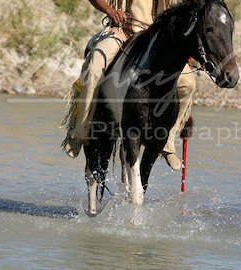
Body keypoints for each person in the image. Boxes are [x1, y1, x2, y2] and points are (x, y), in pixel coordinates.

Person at [62, 0, 196, 171]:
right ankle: (80, 131)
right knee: (94, 68)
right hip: (124, 31)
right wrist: (110, 11)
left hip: (160, 42)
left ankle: (168, 142)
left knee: (188, 82)